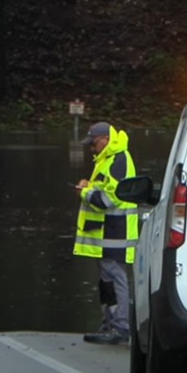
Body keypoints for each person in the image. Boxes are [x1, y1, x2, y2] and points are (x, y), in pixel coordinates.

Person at [73, 121, 139, 345]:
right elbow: (104, 188)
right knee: (106, 279)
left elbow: (109, 200)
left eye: (93, 143)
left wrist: (85, 193)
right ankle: (110, 324)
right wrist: (89, 186)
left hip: (116, 230)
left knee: (115, 277)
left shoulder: (118, 159)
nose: (92, 148)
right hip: (107, 231)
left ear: (105, 139)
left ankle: (120, 327)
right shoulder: (109, 159)